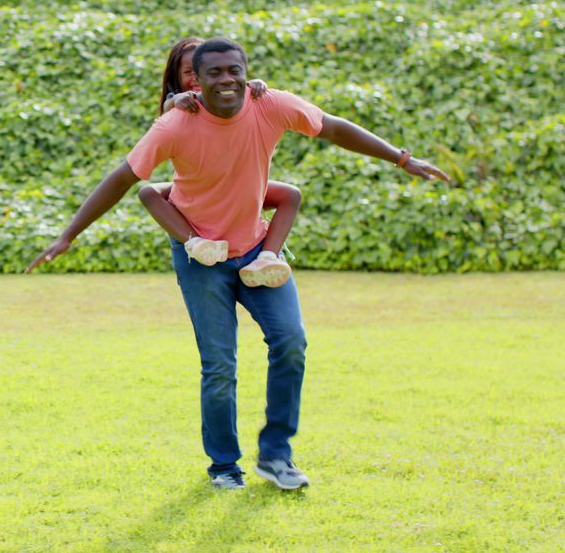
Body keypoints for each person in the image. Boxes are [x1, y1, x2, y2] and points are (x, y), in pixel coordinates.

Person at [26, 37, 450, 490]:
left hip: (255, 248)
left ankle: (276, 456)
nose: (226, 80)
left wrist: (402, 158)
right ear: (197, 81)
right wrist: (68, 234)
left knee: (290, 343)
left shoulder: (271, 104)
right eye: (213, 73)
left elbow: (334, 127)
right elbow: (124, 178)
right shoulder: (174, 125)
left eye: (235, 71)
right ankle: (225, 466)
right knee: (220, 366)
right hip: (201, 256)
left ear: (247, 72)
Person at [141, 37, 301, 287]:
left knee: (290, 195)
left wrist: (256, 85)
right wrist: (176, 100)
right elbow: (170, 104)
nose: (196, 79)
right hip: (199, 194)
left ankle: (268, 256)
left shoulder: (231, 96)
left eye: (202, 71)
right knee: (149, 192)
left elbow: (241, 91)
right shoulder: (180, 105)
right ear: (177, 76)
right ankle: (195, 242)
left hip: (239, 187)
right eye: (188, 72)